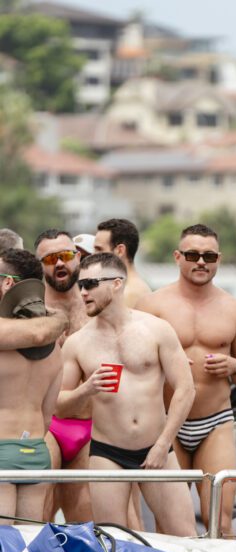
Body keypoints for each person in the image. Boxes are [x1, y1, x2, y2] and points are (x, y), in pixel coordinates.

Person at [57, 252, 196, 535]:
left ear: (117, 283)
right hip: (107, 452)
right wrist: (87, 389)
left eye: (91, 283)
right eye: (80, 285)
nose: (83, 292)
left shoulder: (156, 329)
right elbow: (59, 406)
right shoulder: (77, 343)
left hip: (157, 445)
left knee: (185, 536)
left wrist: (163, 444)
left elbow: (185, 388)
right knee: (113, 541)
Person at [136, 224, 236, 533]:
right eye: (192, 254)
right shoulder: (152, 306)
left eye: (209, 255)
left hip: (215, 421)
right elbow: (132, 367)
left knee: (219, 519)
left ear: (219, 259)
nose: (201, 261)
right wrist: (164, 364)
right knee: (169, 522)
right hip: (167, 423)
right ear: (178, 257)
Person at [34, 229, 93, 522]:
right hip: (47, 423)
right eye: (50, 258)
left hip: (92, 423)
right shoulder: (31, 312)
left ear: (78, 257)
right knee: (39, 513)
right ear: (40, 265)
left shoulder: (97, 302)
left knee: (85, 518)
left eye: (66, 256)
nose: (59, 263)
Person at [0, 248, 63, 523]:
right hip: (37, 450)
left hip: (1, 449)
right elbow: (48, 413)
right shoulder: (54, 346)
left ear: (8, 282)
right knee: (27, 551)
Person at [93, 218, 151, 307]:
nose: (93, 255)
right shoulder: (121, 288)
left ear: (120, 250)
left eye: (99, 249)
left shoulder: (130, 293)